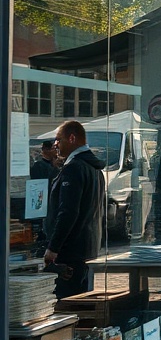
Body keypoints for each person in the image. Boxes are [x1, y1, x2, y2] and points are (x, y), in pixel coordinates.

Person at [43, 120, 105, 299]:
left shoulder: (74, 168)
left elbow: (68, 211)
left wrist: (53, 247)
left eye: (58, 139)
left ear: (71, 138)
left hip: (69, 251)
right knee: (80, 301)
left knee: (67, 304)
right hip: (87, 248)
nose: (55, 144)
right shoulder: (95, 169)